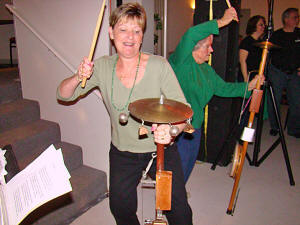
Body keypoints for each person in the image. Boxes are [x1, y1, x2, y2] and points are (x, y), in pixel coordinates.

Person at [57, 3, 193, 225]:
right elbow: (63, 94)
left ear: (142, 36)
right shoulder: (101, 67)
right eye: (123, 29)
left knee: (178, 209)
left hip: (160, 150)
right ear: (111, 33)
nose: (130, 37)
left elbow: (184, 110)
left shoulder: (159, 66)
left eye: (137, 31)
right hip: (122, 152)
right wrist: (77, 75)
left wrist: (171, 131)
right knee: (120, 207)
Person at [169, 7, 265, 183]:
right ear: (195, 48)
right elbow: (191, 34)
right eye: (208, 46)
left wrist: (249, 86)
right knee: (177, 166)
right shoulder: (180, 63)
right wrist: (222, 21)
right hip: (175, 128)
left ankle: (178, 192)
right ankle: (174, 200)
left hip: (195, 125)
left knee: (188, 163)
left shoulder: (206, 70)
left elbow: (224, 89)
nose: (212, 50)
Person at [267, 8, 300, 138]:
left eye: (297, 17)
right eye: (295, 17)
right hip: (278, 72)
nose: (297, 19)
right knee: (274, 100)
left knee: (296, 101)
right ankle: (275, 127)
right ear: (286, 19)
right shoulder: (277, 35)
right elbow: (270, 53)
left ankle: (294, 129)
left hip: (295, 74)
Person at [238, 15, 266, 134]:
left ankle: (246, 132)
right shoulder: (247, 41)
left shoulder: (260, 43)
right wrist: (246, 80)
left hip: (256, 77)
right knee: (244, 108)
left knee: (253, 108)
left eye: (263, 24)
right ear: (253, 26)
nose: (263, 27)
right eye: (260, 24)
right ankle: (239, 133)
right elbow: (242, 60)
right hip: (247, 76)